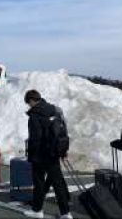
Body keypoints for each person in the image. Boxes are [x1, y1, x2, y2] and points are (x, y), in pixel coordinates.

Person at [23, 90, 72, 219]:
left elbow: (35, 138)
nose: (29, 106)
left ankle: (37, 210)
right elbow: (63, 131)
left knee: (39, 183)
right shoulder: (54, 110)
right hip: (54, 153)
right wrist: (62, 150)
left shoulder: (35, 115)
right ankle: (65, 213)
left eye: (29, 103)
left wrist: (31, 154)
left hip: (40, 154)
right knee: (58, 184)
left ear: (32, 100)